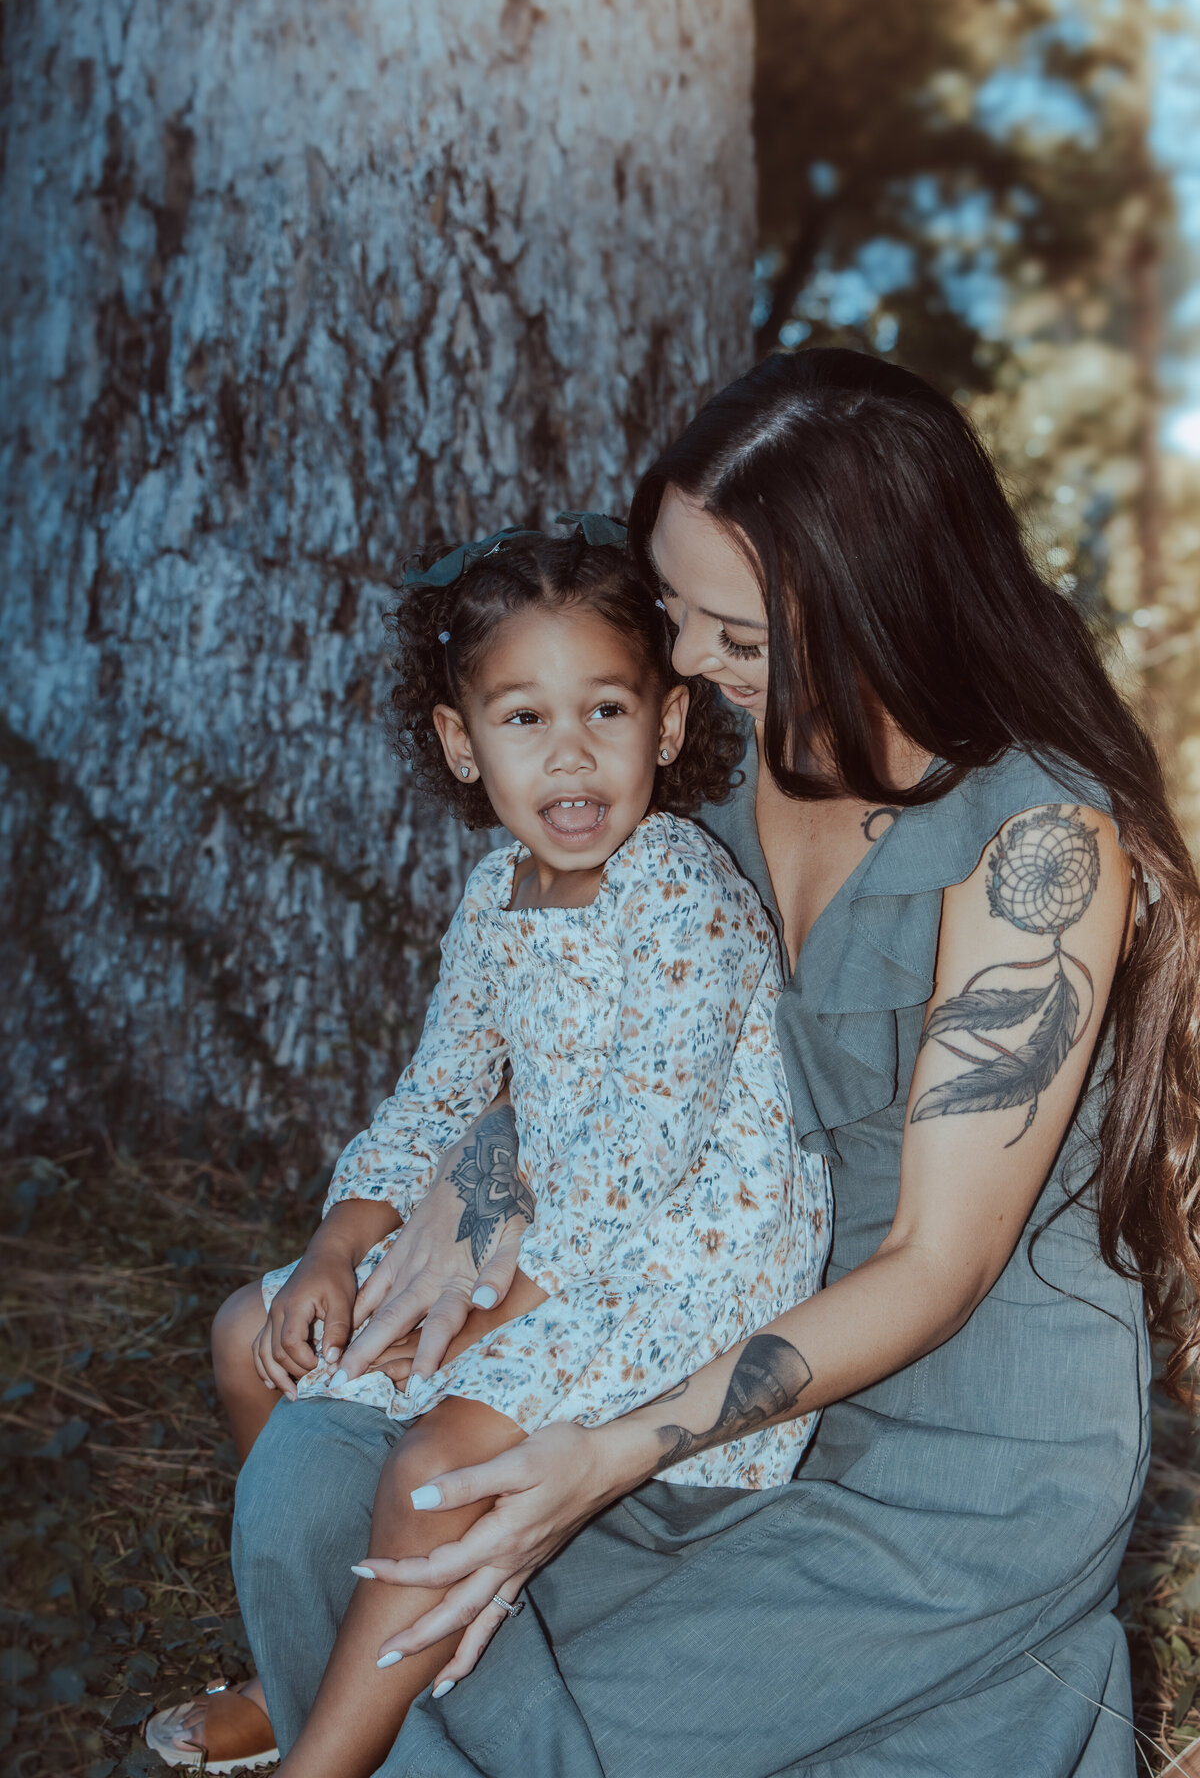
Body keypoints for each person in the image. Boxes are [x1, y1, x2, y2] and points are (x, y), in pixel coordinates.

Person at [229, 348, 1200, 1778]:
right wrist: (464, 1190)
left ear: (879, 607)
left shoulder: (1038, 847)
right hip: (694, 1330)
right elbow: (600, 1048)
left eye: (731, 630)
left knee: (540, 1716)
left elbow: (937, 1268)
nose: (679, 662)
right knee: (316, 1470)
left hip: (944, 1462)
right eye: (674, 609)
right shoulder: (739, 768)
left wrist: (614, 1453)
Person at [146, 518, 830, 1774]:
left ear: (667, 727)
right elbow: (437, 1095)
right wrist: (333, 1252)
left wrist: (477, 1314)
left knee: (435, 1458)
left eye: (606, 711)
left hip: (684, 1264)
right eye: (523, 719)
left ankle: (324, 1761)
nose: (569, 755)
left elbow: (638, 1175)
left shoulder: (675, 892)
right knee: (252, 1340)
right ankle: (294, 1664)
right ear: (463, 745)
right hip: (542, 1228)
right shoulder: (495, 896)